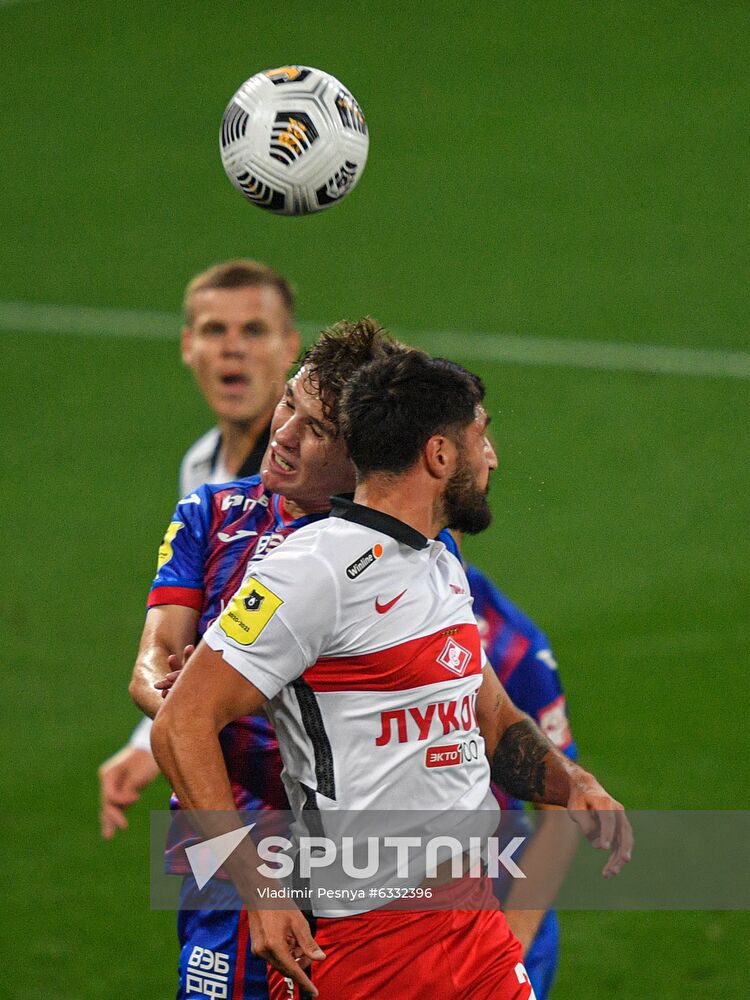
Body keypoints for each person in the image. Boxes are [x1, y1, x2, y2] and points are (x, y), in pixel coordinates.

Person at [151, 350, 632, 1000]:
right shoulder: (311, 571)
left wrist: (569, 783)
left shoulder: (437, 562)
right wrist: (258, 888)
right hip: (370, 943)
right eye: (480, 437)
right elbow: (182, 721)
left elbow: (492, 717)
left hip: (475, 920)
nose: (491, 458)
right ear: (439, 455)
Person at [131, 320, 403, 999]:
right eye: (288, 403)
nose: (281, 433)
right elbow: (152, 666)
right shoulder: (210, 514)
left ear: (361, 454)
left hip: (362, 869)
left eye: (314, 428)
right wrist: (185, 694)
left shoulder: (400, 549)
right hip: (229, 858)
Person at [98, 259, 300, 840]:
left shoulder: (314, 480)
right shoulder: (201, 468)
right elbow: (193, 629)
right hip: (231, 775)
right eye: (215, 331)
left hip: (312, 784)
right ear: (188, 346)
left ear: (290, 347)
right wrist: (150, 743)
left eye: (253, 331)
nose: (232, 350)